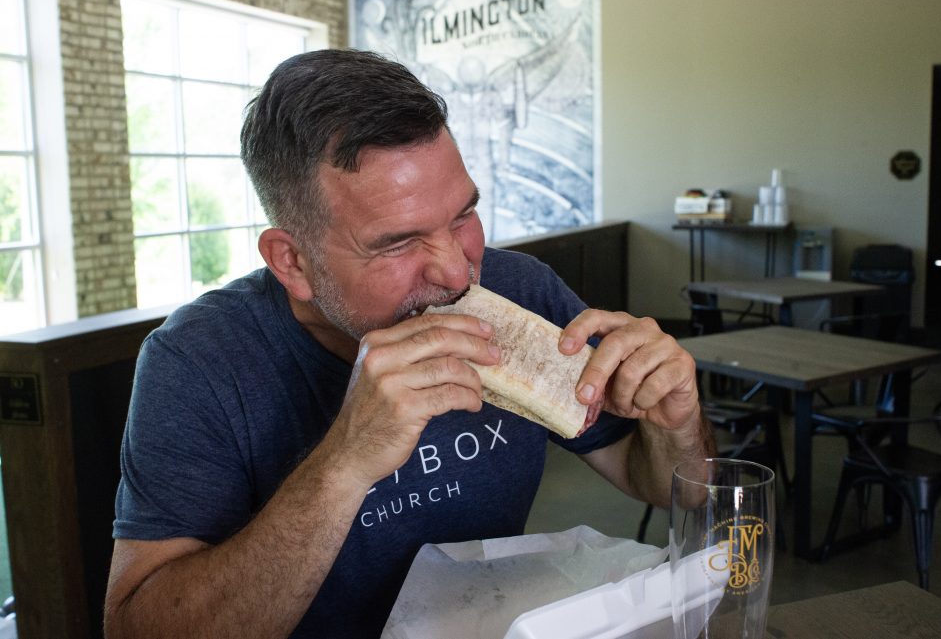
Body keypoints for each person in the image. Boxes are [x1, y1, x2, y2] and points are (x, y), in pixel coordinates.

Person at [103, 49, 712, 639]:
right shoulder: (198, 361)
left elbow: (652, 480)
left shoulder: (524, 290)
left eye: (463, 216)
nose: (456, 271)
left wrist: (673, 424)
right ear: (292, 261)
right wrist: (345, 463)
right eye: (397, 243)